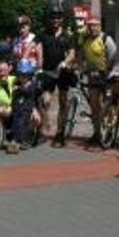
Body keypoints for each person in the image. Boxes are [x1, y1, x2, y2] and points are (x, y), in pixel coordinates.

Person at [37, 8, 77, 147]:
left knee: (63, 102)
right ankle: (45, 125)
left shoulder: (68, 35)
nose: (55, 20)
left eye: (58, 17)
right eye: (53, 17)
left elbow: (72, 53)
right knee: (44, 101)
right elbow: (36, 48)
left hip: (63, 72)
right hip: (48, 72)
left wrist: (65, 62)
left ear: (62, 19)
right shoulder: (43, 34)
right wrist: (35, 64)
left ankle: (60, 133)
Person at [75, 16, 115, 145]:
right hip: (92, 76)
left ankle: (110, 130)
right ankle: (96, 132)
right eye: (90, 26)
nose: (92, 28)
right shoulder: (86, 39)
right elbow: (80, 55)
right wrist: (80, 68)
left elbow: (113, 57)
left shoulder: (106, 39)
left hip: (106, 75)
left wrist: (111, 72)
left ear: (100, 26)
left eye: (95, 25)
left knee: (108, 105)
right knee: (94, 105)